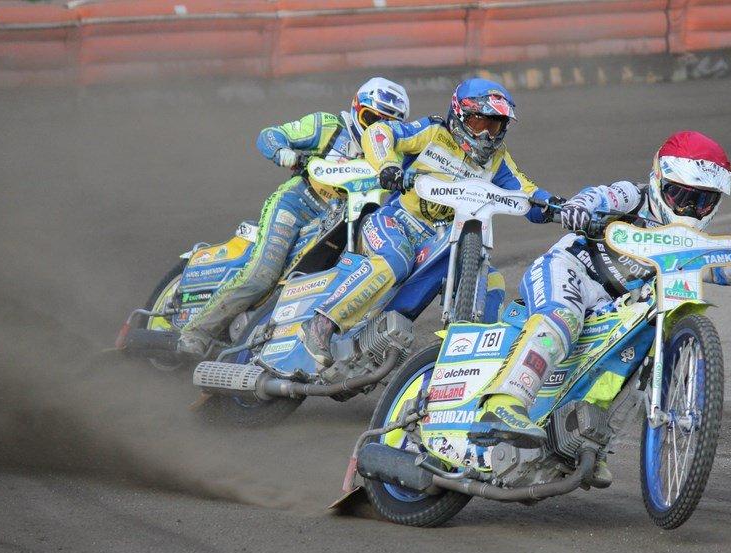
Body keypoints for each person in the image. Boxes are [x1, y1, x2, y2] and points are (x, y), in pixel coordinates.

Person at [470, 130, 731, 486]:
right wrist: (579, 208)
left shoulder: (690, 242)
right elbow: (598, 195)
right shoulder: (633, 195)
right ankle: (504, 402)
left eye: (702, 201)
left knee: (639, 362)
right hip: (571, 270)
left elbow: (720, 272)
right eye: (680, 195)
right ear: (658, 180)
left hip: (613, 308)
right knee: (563, 316)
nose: (688, 208)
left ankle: (590, 443)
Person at [300, 78, 564, 366]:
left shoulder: (499, 160)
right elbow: (379, 131)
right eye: (479, 123)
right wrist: (388, 166)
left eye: (495, 126)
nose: (487, 135)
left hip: (443, 239)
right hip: (395, 222)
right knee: (395, 258)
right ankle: (321, 323)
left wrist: (559, 207)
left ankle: (474, 362)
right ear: (459, 115)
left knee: (493, 281)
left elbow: (528, 193)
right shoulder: (432, 132)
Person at [177, 77, 410, 357]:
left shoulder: (393, 154)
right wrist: (284, 153)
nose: (376, 130)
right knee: (262, 275)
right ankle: (196, 332)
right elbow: (270, 135)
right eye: (371, 119)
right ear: (356, 108)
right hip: (297, 204)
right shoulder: (328, 126)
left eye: (387, 125)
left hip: (346, 221)